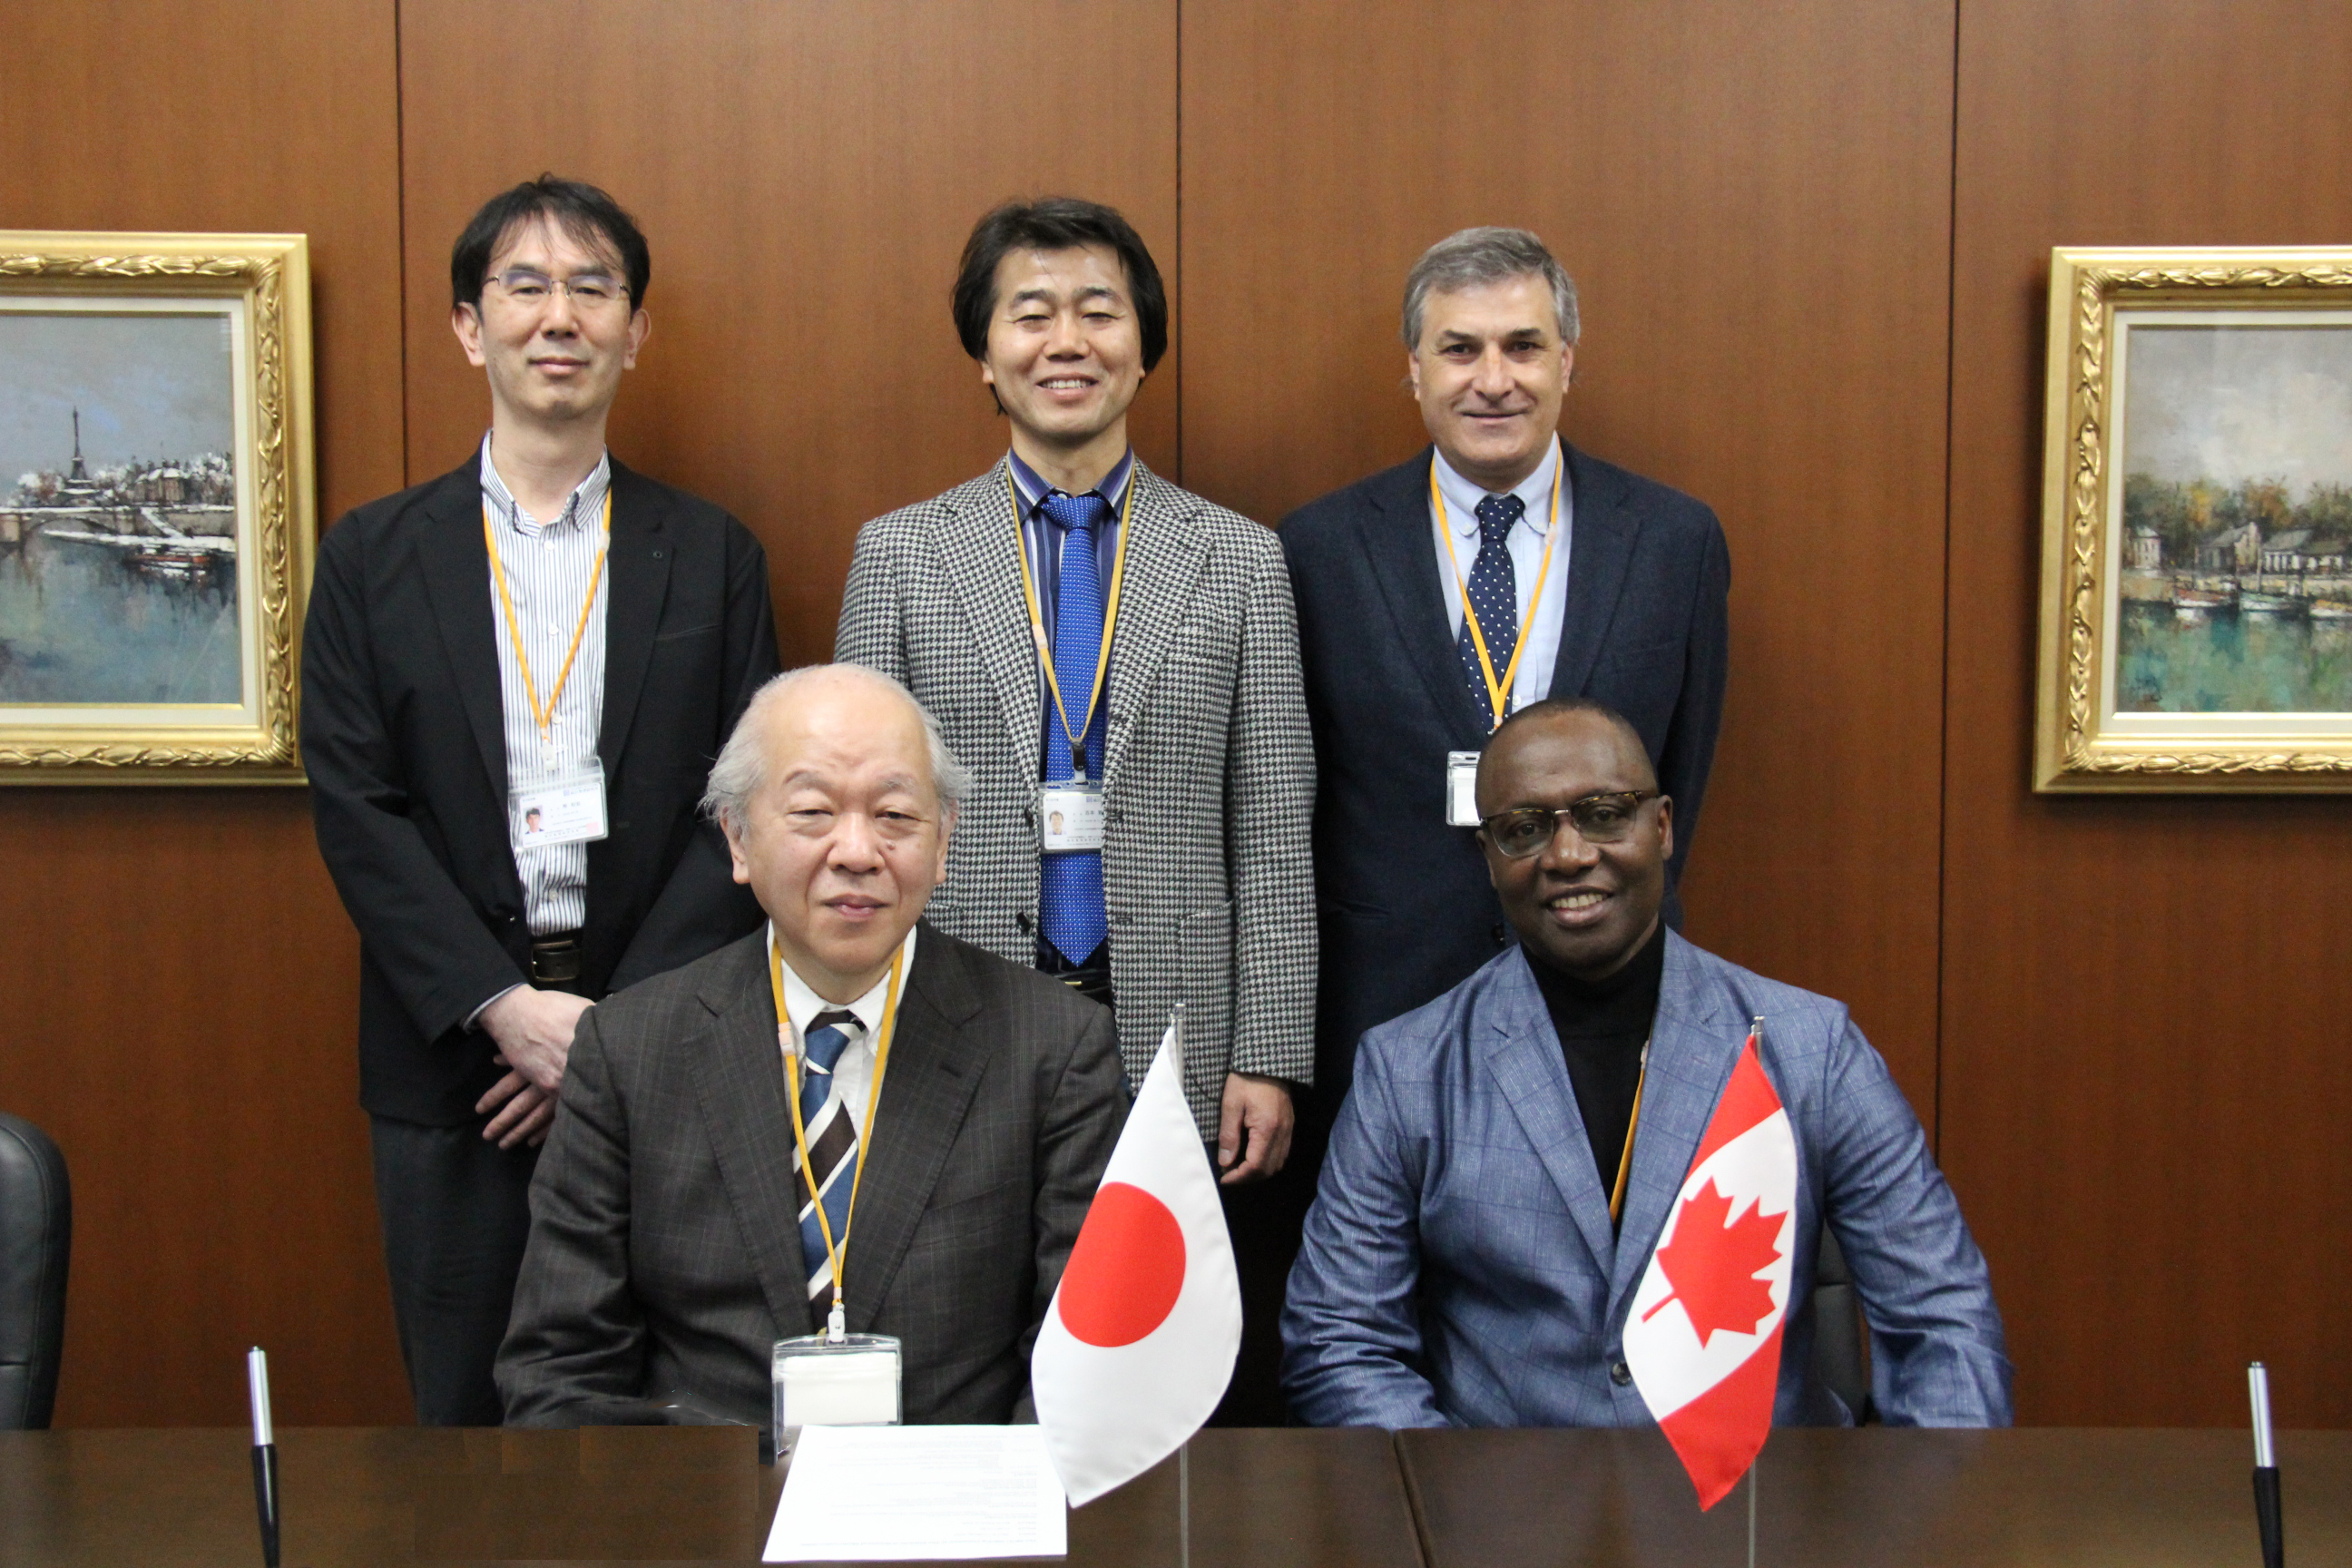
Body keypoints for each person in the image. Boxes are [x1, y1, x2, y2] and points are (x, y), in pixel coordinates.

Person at [301, 176, 779, 1425]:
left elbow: (741, 804)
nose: (558, 316)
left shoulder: (714, 554)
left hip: (663, 1053)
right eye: (525, 286)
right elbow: (358, 807)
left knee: (665, 1420)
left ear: (636, 330)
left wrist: (602, 1035)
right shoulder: (370, 557)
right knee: (465, 1425)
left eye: (592, 288)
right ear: (470, 327)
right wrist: (504, 1010)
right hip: (453, 1069)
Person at [835, 198, 1315, 1419]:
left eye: (1099, 311)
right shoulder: (901, 553)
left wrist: (1268, 1048)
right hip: (960, 1006)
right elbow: (861, 823)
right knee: (971, 1345)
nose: (1067, 339)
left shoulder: (1239, 557)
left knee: (1168, 1363)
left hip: (1179, 1029)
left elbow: (1271, 822)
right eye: (1029, 313)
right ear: (982, 354)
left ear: (1143, 346)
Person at [1281, 700, 2011, 1429]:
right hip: (1504, 1522)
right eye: (1524, 829)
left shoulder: (1812, 1050)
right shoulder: (1408, 1070)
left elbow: (1943, 1319)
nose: (1567, 856)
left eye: (1603, 813)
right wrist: (1463, 1523)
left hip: (1762, 1520)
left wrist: (1909, 1521)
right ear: (1489, 859)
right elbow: (1339, 1342)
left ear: (1661, 827)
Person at [496, 665, 1126, 1426]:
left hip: (953, 1518)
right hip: (711, 1516)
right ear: (736, 837)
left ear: (943, 840)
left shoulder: (1054, 1049)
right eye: (813, 811)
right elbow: (558, 1373)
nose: (857, 851)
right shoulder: (630, 1049)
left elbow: (1087, 1369)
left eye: (895, 815)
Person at [1280, 227, 1730, 1123]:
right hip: (1383, 1005)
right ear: (1414, 367)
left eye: (1523, 346)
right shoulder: (1317, 550)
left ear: (1566, 359)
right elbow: (1293, 795)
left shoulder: (1674, 543)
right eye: (1460, 350)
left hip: (1605, 992)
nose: (1494, 379)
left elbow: (1680, 776)